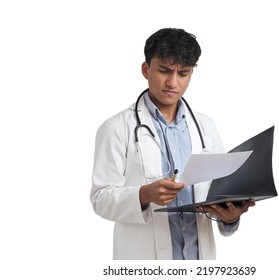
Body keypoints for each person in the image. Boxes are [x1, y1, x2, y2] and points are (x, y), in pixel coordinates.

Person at [90, 28, 255, 260]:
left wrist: (230, 217)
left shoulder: (205, 128)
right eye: (165, 70)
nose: (173, 82)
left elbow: (218, 194)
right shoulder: (117, 128)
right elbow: (100, 199)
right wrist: (144, 194)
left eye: (183, 73)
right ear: (146, 69)